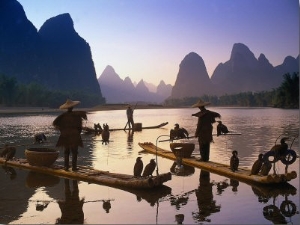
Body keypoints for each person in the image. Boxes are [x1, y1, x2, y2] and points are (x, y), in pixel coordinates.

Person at [53, 99, 87, 171]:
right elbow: (79, 127)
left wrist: (62, 131)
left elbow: (56, 125)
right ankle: (74, 167)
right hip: (74, 135)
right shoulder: (77, 115)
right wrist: (77, 133)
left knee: (66, 151)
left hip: (65, 135)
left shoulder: (62, 117)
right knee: (74, 151)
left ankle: (66, 167)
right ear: (72, 107)